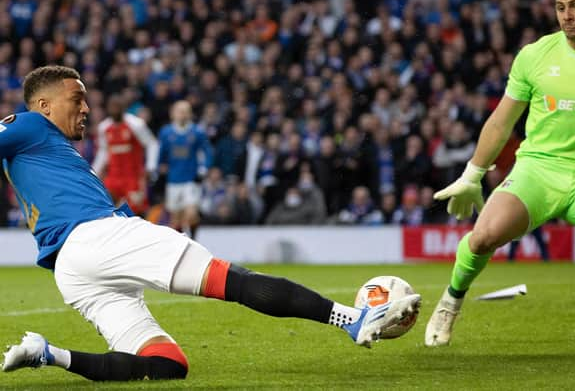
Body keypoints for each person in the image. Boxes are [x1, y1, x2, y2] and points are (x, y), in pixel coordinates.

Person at [0, 66, 421, 381]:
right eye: (78, 99)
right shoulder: (29, 125)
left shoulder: (47, 145)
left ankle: (46, 354)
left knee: (167, 365)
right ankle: (353, 320)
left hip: (72, 269)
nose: (86, 108)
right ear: (43, 105)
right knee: (233, 281)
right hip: (100, 236)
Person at [425, 0, 575, 348]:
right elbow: (501, 121)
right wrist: (472, 174)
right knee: (483, 238)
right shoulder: (535, 55)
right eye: (560, 8)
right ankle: (450, 302)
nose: (566, 16)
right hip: (537, 170)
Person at [92, 93, 158, 215]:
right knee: (105, 206)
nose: (115, 109)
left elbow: (152, 144)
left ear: (124, 107)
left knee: (136, 212)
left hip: (133, 177)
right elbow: (103, 151)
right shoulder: (104, 128)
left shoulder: (136, 124)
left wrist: (151, 167)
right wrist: (94, 172)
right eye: (112, 107)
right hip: (113, 176)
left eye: (117, 106)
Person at [157, 100, 214, 238]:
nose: (182, 114)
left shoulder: (197, 132)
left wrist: (204, 168)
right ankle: (181, 247)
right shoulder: (166, 133)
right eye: (179, 111)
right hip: (173, 180)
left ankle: (194, 240)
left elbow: (207, 151)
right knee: (176, 218)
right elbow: (161, 154)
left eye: (185, 111)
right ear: (173, 114)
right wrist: (159, 168)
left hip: (190, 179)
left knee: (191, 214)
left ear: (190, 114)